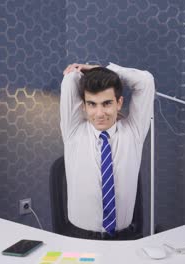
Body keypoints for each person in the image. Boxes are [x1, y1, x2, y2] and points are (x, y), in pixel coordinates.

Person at [60, 62, 155, 240]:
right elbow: (70, 79)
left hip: (124, 237)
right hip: (79, 237)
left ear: (119, 103)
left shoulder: (133, 132)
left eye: (107, 103)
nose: (99, 113)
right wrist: (77, 74)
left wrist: (103, 69)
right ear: (84, 106)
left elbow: (146, 81)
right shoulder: (73, 131)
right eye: (92, 104)